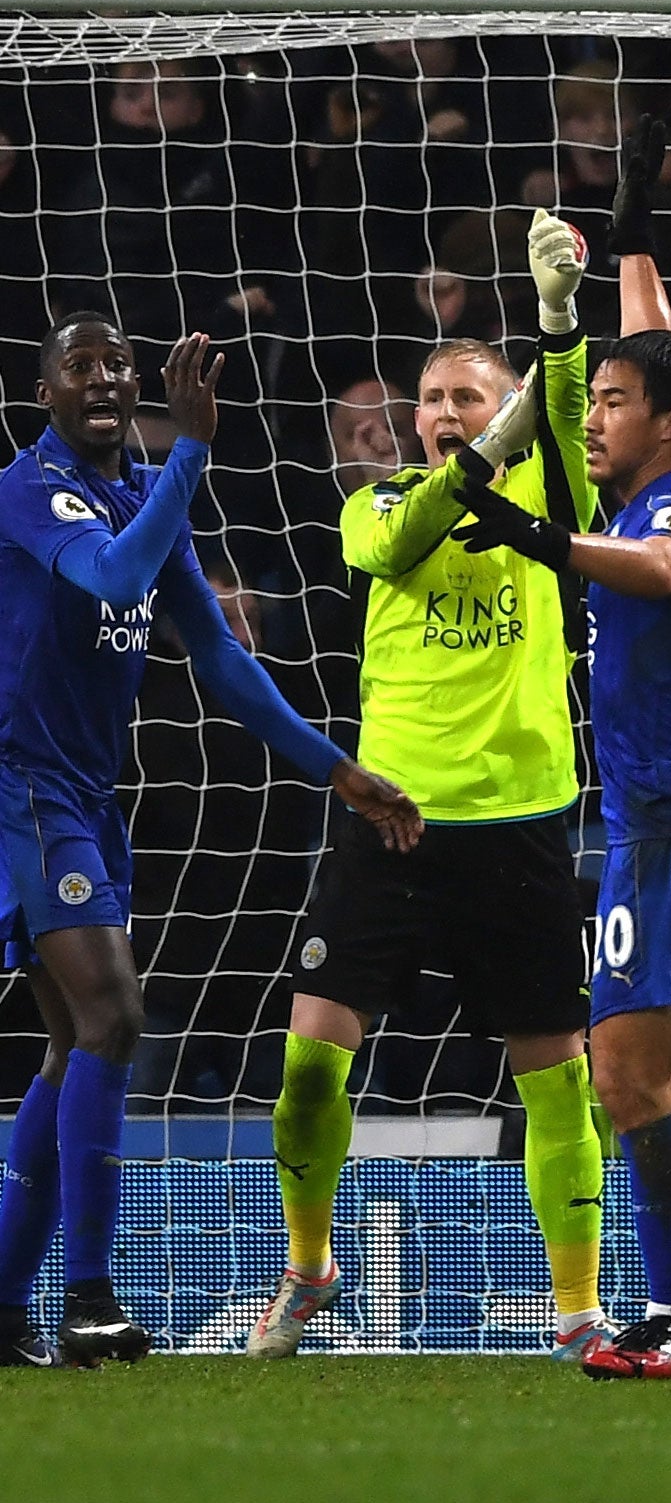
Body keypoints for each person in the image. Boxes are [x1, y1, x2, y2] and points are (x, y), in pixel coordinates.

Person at [0, 318, 418, 1368]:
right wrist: (190, 452)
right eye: (78, 369)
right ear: (42, 389)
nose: (101, 383)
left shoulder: (147, 493)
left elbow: (223, 663)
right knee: (114, 1015)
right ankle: (90, 1298)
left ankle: (5, 1308)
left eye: (116, 368)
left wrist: (336, 767)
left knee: (70, 1045)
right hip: (23, 785)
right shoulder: (28, 488)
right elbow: (106, 579)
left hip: (87, 794)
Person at [244, 212, 606, 1363]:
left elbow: (557, 416)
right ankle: (309, 1271)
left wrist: (556, 327)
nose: (447, 412)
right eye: (433, 399)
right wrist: (490, 438)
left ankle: (576, 1310)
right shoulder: (379, 509)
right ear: (411, 423)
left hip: (522, 825)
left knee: (556, 1085)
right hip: (390, 823)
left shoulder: (557, 507)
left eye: (470, 394)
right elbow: (405, 542)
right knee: (306, 1068)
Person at [449, 121, 671, 1381]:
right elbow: (655, 354)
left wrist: (542, 544)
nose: (591, 416)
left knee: (629, 1085)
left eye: (613, 403)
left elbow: (664, 569)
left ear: (670, 422)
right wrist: (635, 233)